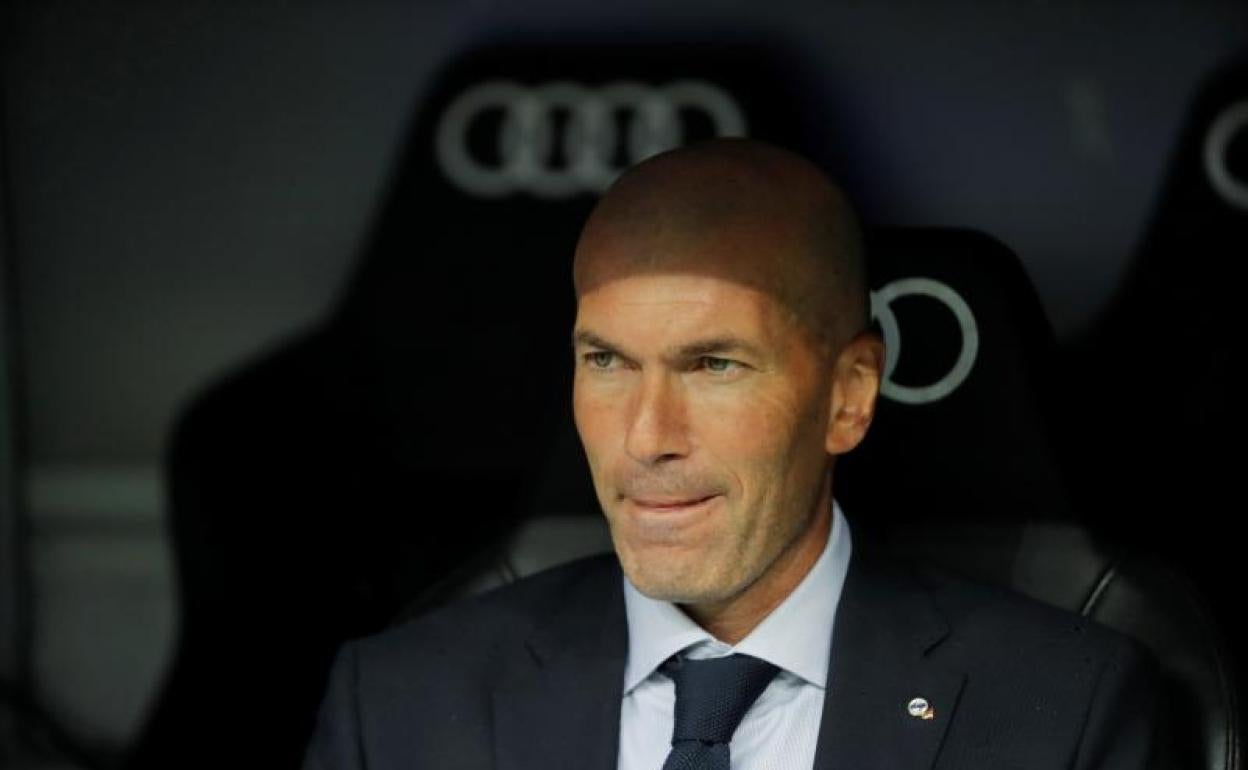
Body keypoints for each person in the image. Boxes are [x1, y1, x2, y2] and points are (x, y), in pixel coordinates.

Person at [302, 138, 1161, 769]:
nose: (646, 438)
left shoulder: (1063, 712)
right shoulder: (398, 706)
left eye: (713, 365)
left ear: (849, 394)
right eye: (606, 361)